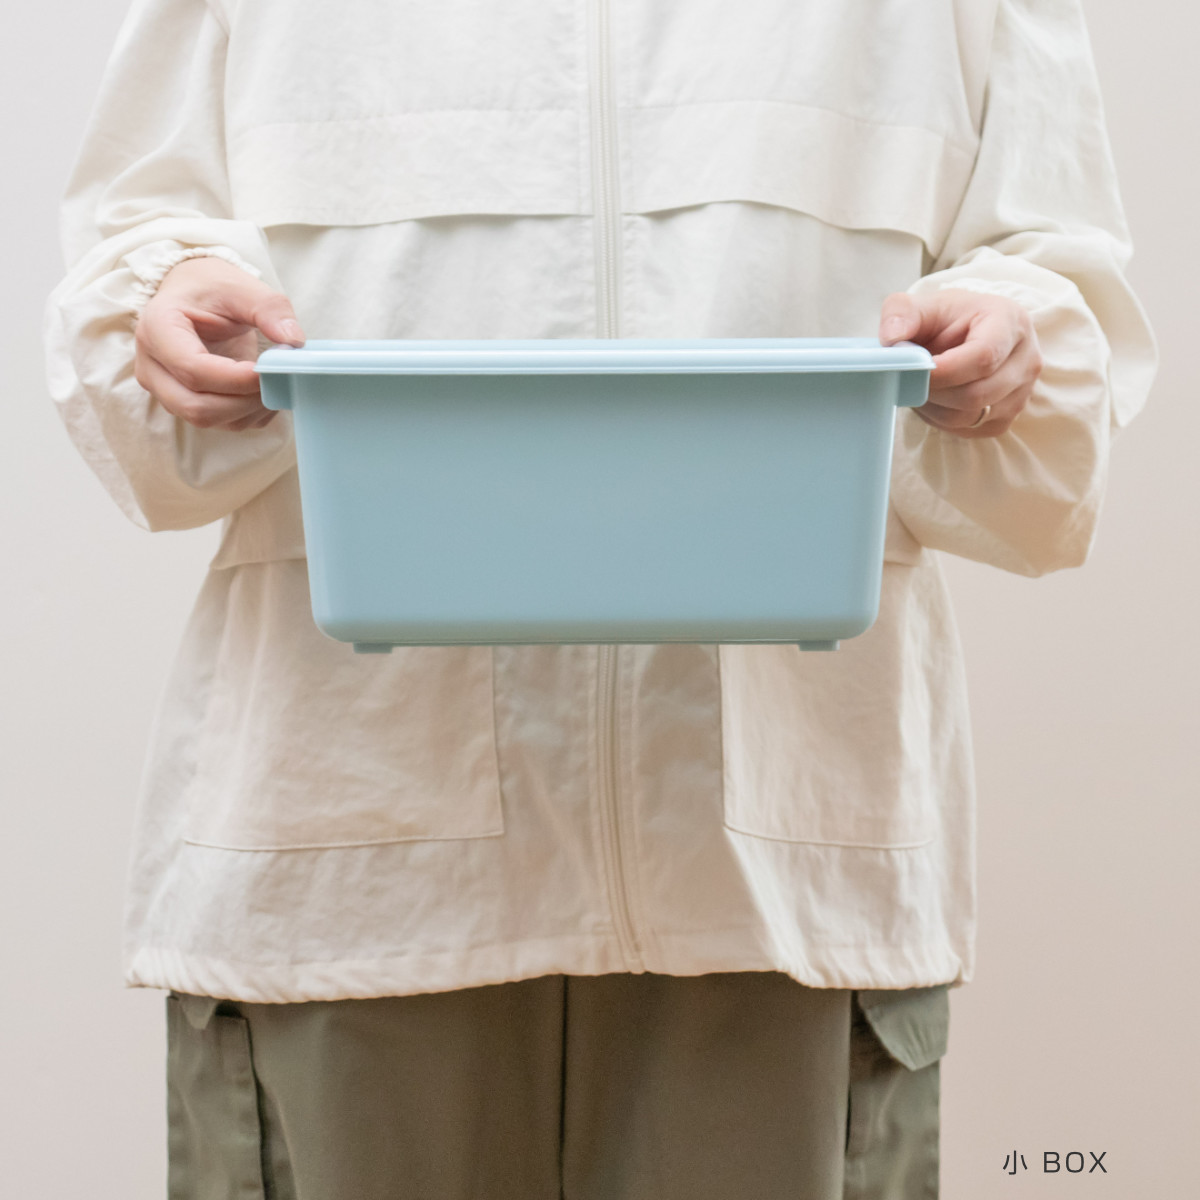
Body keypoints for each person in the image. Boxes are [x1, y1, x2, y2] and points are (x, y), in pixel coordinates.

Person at [45, 0, 1156, 1196]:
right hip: (349, 872)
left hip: (779, 891)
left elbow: (1057, 339)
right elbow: (134, 286)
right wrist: (171, 303)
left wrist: (1010, 344)